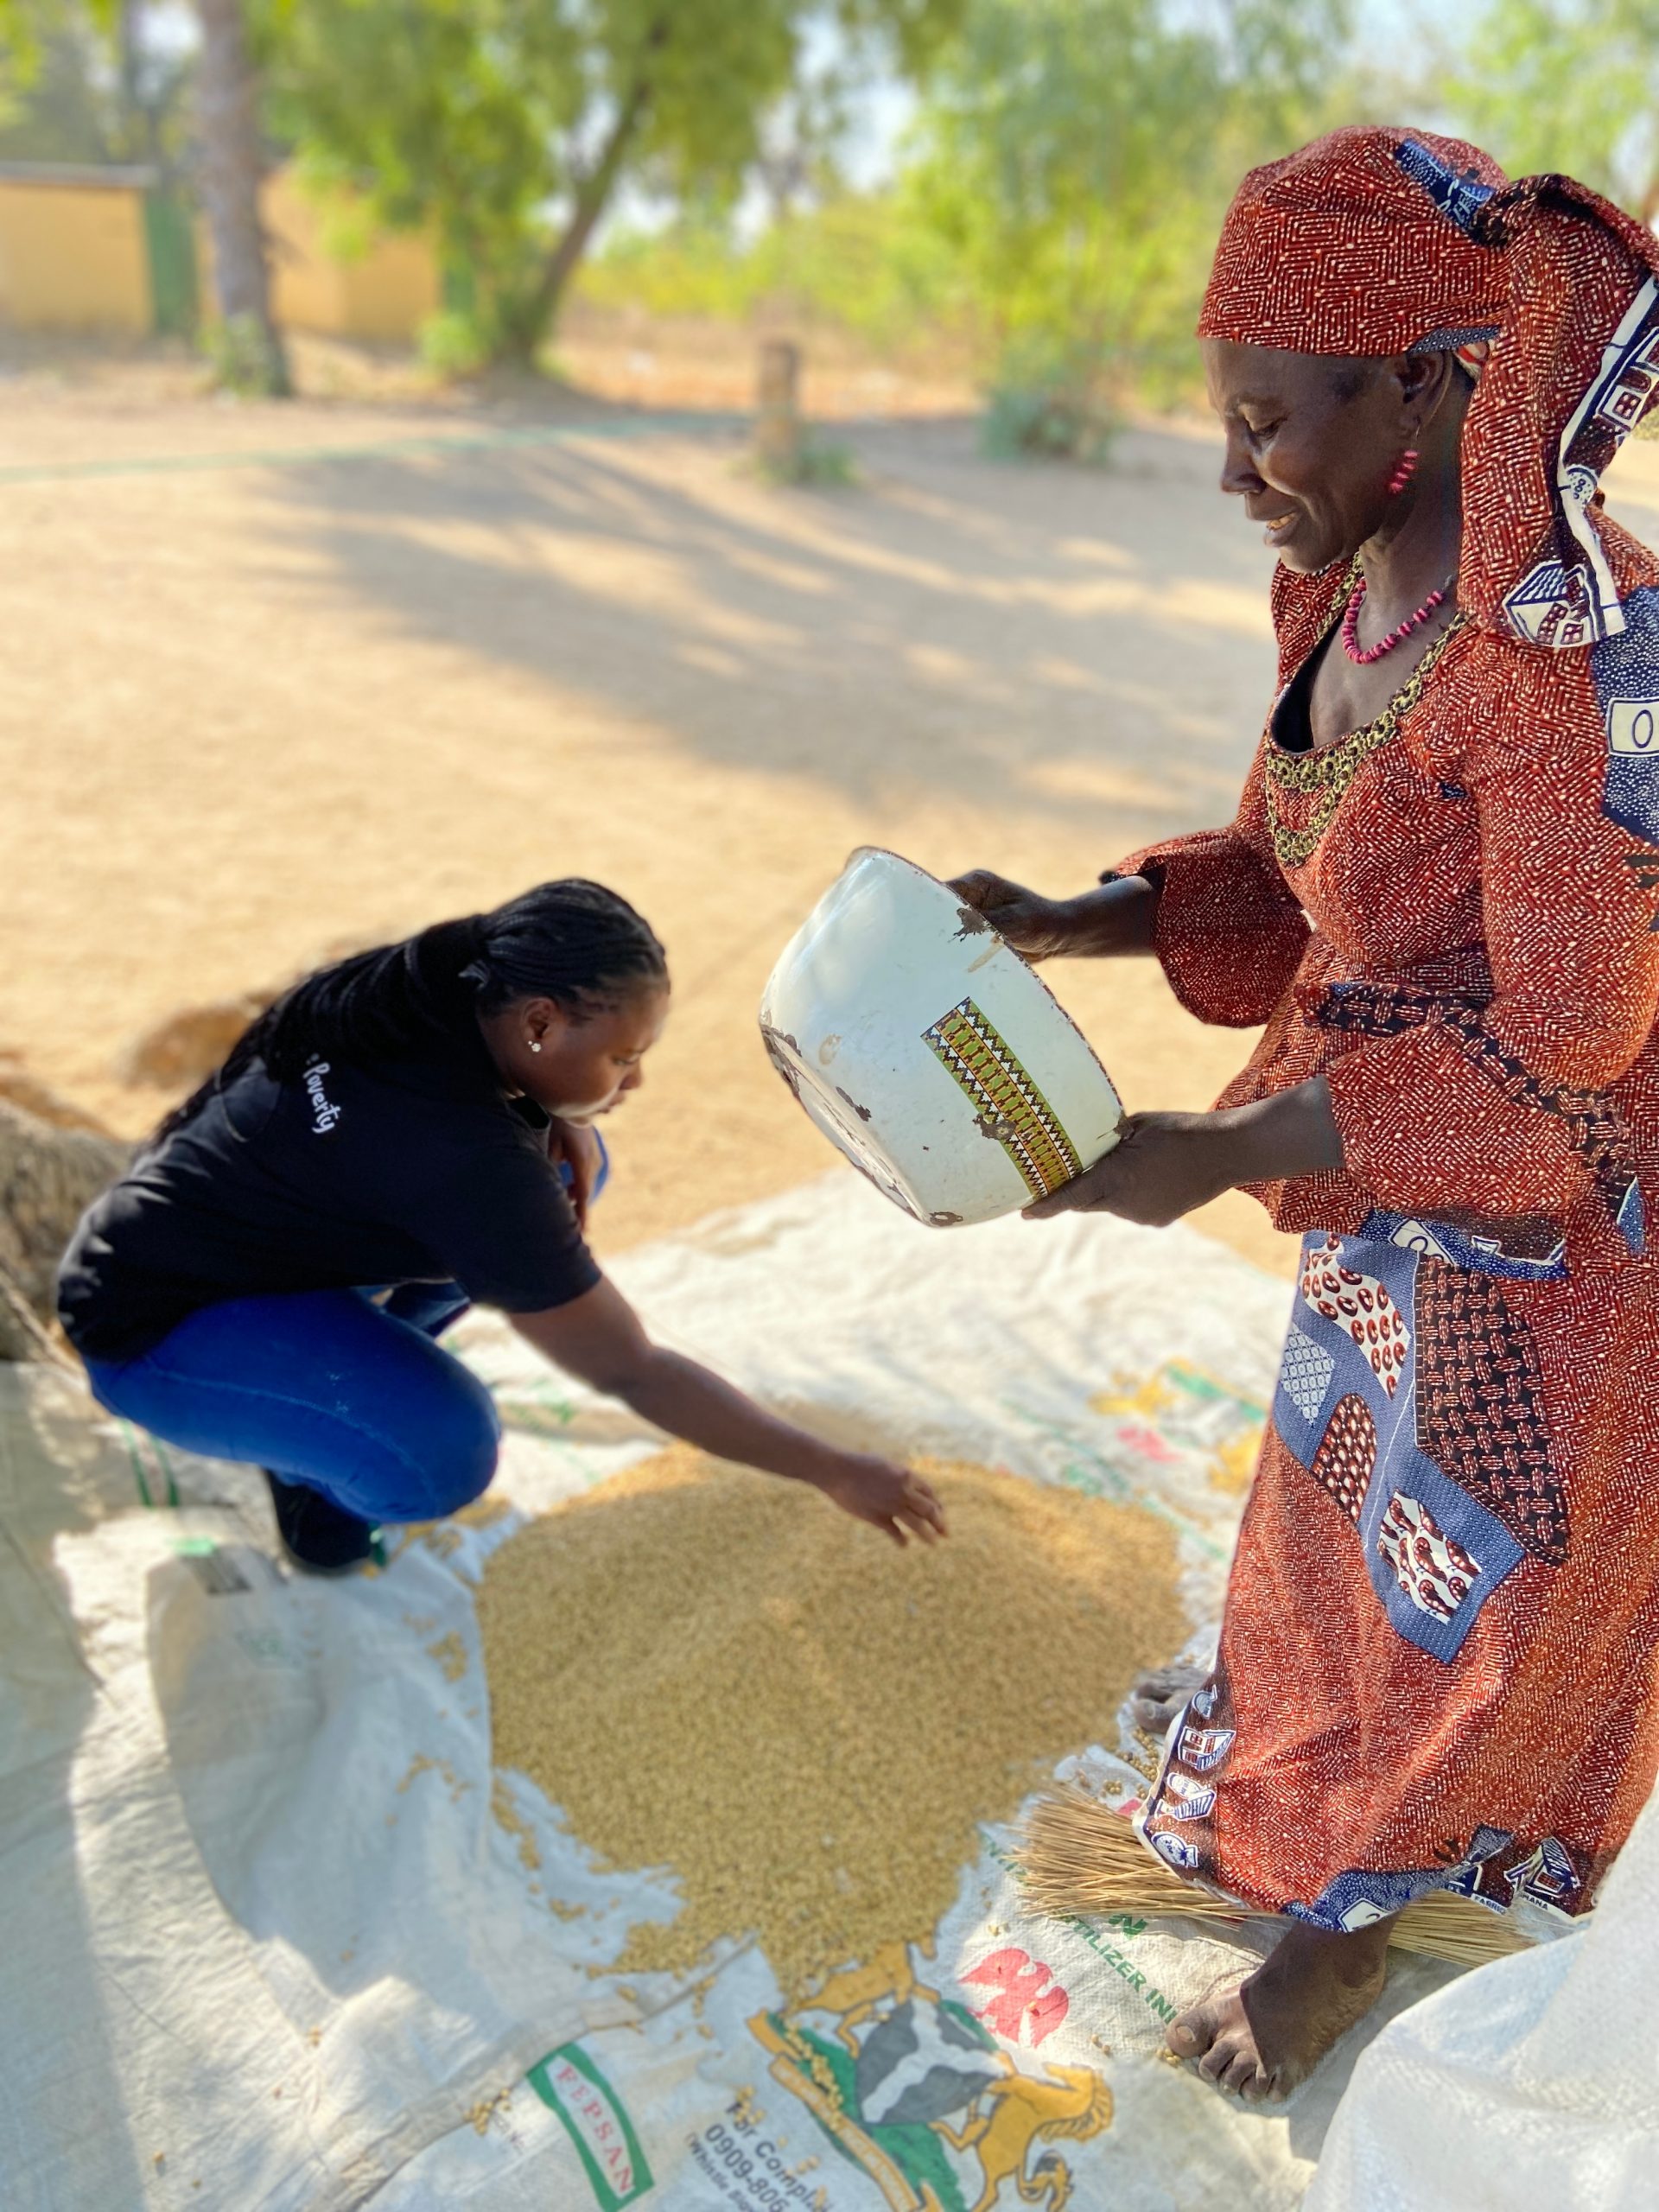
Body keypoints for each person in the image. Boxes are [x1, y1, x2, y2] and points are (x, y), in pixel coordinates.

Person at [956, 124, 1659, 2101]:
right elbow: (1308, 872)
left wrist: (1222, 1150)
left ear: (1422, 386)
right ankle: (1303, 1775)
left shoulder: (1570, 670)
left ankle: (1344, 1941)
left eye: (1266, 420)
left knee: (1472, 1603)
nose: (1231, 469)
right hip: (1389, 1168)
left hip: (1570, 1238)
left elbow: (1565, 1063)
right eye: (1227, 422)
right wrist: (1077, 917)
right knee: (1342, 1523)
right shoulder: (1342, 585)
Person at [58, 879, 946, 1572]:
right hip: (148, 1325)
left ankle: (328, 1390)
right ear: (538, 1022)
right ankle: (311, 1476)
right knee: (444, 1454)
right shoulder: (465, 1166)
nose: (633, 1082)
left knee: (566, 1165)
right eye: (623, 1057)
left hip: (204, 1227)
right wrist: (833, 1467)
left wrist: (562, 1111)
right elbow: (632, 1369)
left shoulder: (439, 976)